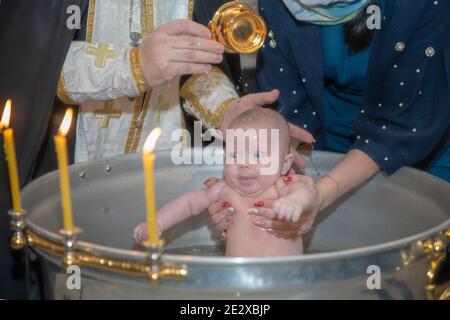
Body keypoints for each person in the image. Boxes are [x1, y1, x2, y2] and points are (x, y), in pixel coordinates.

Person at [208, 0, 450, 241]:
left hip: (419, 139)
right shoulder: (280, 4)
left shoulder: (422, 5)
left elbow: (401, 124)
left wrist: (321, 194)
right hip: (322, 143)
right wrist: (255, 195)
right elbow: (289, 103)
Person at [134, 108, 312, 257]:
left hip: (285, 278)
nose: (244, 164)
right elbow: (188, 203)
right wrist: (156, 223)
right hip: (236, 280)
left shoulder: (282, 187)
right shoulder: (224, 190)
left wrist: (294, 202)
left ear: (285, 164)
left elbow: (306, 193)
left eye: (257, 155)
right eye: (234, 155)